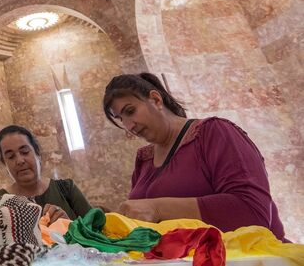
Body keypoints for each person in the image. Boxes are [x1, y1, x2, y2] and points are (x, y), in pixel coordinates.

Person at [103, 72, 286, 240]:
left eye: (130, 111)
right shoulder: (144, 159)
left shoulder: (214, 132)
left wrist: (157, 208)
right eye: (121, 119)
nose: (129, 125)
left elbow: (252, 212)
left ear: (156, 99)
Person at [0, 125, 92, 223]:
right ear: (5, 164)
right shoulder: (0, 200)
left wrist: (69, 225)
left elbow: (98, 232)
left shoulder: (66, 189)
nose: (20, 161)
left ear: (37, 154)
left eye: (25, 151)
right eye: (10, 156)